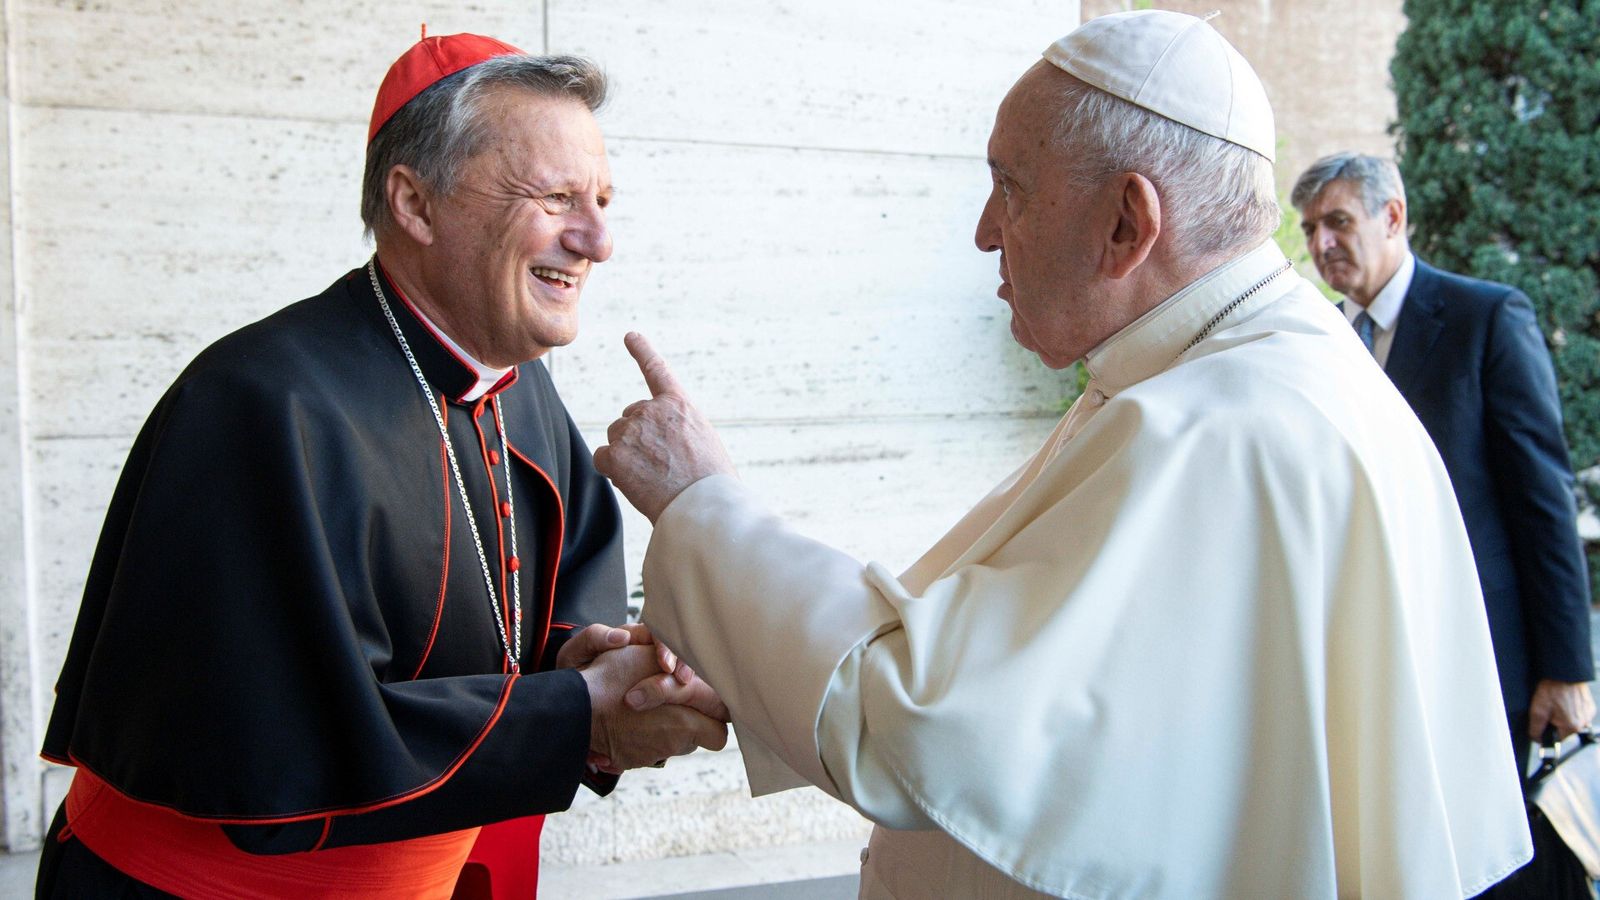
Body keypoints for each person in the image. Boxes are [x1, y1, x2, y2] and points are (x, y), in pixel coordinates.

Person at [594, 10, 1534, 899]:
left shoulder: (1222, 424)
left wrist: (702, 505)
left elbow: (927, 726)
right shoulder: (1223, 373)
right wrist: (743, 653)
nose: (984, 231)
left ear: (1128, 223)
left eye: (1010, 185)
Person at [35, 32, 727, 899]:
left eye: (600, 199)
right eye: (556, 197)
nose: (597, 239)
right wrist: (579, 709)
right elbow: (287, 740)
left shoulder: (519, 388)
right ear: (415, 202)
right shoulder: (261, 403)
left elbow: (526, 619)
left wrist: (593, 666)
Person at [1292, 152, 1596, 895]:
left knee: (1497, 854)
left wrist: (1567, 667)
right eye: (1308, 229)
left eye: (1338, 221)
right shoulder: (1317, 340)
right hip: (1371, 649)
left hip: (1488, 650)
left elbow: (1542, 499)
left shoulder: (1485, 316)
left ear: (1392, 216)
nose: (1322, 243)